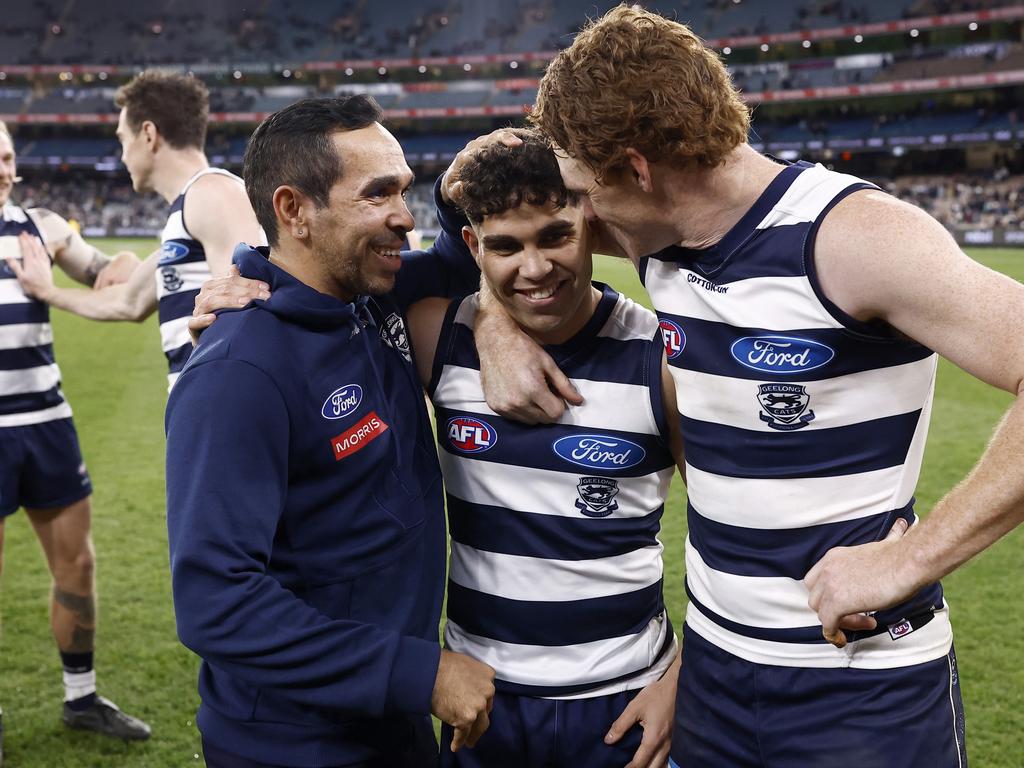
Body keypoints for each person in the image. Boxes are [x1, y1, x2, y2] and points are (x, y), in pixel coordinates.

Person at [452, 4, 1024, 765]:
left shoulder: (853, 237)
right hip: (714, 681)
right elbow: (490, 228)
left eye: (583, 188)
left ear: (637, 169)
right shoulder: (657, 239)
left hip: (859, 685)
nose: (578, 214)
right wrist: (493, 318)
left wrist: (910, 561)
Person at [197, 128, 687, 767]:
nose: (534, 267)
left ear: (590, 226)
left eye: (557, 237)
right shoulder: (436, 335)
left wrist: (686, 682)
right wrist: (247, 298)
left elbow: (740, 533)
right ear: (474, 247)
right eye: (505, 246)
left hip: (625, 700)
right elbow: (330, 285)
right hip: (478, 706)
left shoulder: (664, 359)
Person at [165, 95, 494, 768]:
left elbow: (459, 261)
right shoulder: (240, 370)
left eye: (403, 190)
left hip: (386, 717)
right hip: (294, 743)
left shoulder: (370, 293)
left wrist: (457, 194)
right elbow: (215, 601)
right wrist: (419, 673)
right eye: (377, 196)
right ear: (293, 210)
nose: (403, 216)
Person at [0, 120, 151, 756]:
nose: (4, 170)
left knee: (78, 563)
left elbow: (105, 278)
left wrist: (123, 262)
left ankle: (81, 697)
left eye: (6, 157)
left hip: (47, 423)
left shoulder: (41, 226)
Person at [7, 70, 264, 390]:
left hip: (223, 407)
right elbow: (126, 302)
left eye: (122, 139)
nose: (123, 154)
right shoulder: (187, 214)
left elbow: (251, 306)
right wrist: (49, 292)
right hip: (200, 408)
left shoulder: (213, 192)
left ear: (148, 134)